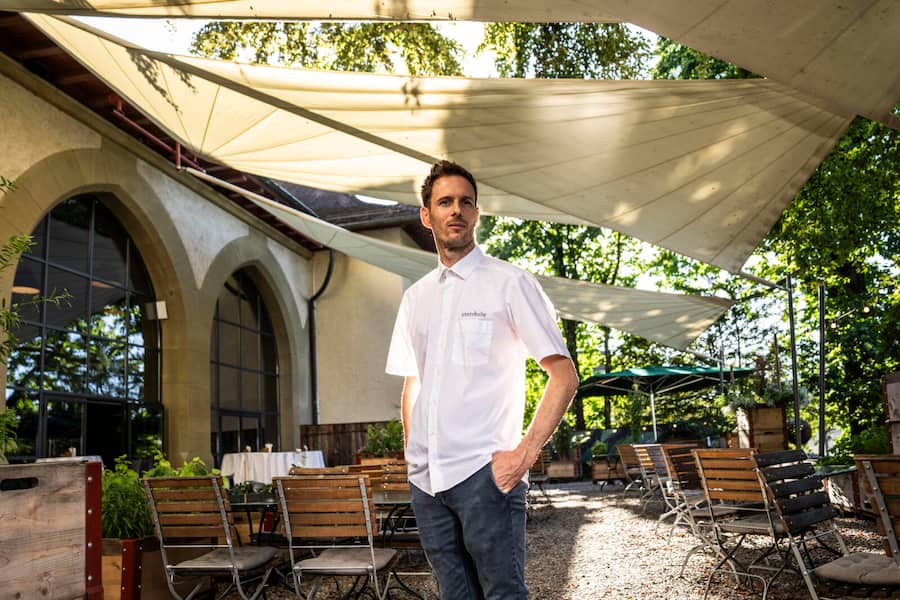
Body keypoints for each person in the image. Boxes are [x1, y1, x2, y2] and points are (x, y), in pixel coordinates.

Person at [385, 160, 579, 599]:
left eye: (466, 202)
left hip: (484, 475)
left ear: (477, 213)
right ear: (426, 214)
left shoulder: (510, 283)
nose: (456, 210)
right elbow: (413, 381)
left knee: (503, 594)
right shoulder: (416, 298)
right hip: (426, 482)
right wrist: (415, 453)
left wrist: (522, 456)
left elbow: (563, 375)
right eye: (445, 201)